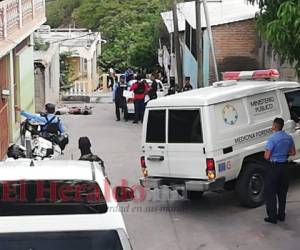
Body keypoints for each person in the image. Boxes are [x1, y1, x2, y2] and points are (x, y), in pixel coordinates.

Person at [264, 117, 296, 224]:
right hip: (285, 167)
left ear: (275, 126)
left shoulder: (272, 139)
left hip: (274, 168)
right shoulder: (288, 137)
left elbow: (267, 156)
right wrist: (284, 154)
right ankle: (281, 215)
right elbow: (293, 152)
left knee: (271, 192)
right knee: (282, 192)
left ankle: (272, 217)